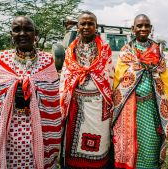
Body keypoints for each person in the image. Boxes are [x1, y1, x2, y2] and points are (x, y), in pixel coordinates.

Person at [0, 16, 62, 169]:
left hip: (40, 130)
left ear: (36, 34)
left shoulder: (47, 61)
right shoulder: (2, 59)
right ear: (11, 34)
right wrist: (14, 90)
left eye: (28, 29)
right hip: (9, 129)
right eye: (17, 30)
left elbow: (53, 99)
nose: (22, 33)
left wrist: (33, 92)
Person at [112, 14, 168, 169]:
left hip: (152, 107)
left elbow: (166, 81)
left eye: (146, 26)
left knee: (151, 141)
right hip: (130, 108)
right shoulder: (126, 52)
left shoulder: (158, 51)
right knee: (130, 141)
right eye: (139, 26)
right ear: (133, 29)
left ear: (151, 29)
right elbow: (118, 81)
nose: (143, 29)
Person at [59, 11, 114, 168]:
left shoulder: (104, 49)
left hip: (99, 105)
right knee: (72, 144)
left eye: (90, 23)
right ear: (77, 26)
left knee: (100, 140)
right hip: (76, 104)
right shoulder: (71, 49)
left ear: (96, 27)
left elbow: (108, 76)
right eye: (83, 23)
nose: (86, 26)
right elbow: (66, 76)